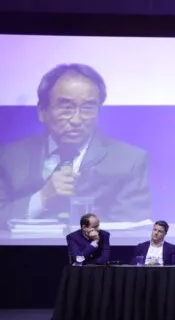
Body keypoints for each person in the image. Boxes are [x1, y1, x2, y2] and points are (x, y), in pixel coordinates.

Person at [0, 63, 151, 227]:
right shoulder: (9, 158)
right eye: (66, 108)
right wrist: (42, 198)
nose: (76, 120)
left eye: (88, 108)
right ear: (42, 111)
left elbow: (130, 230)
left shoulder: (129, 161)